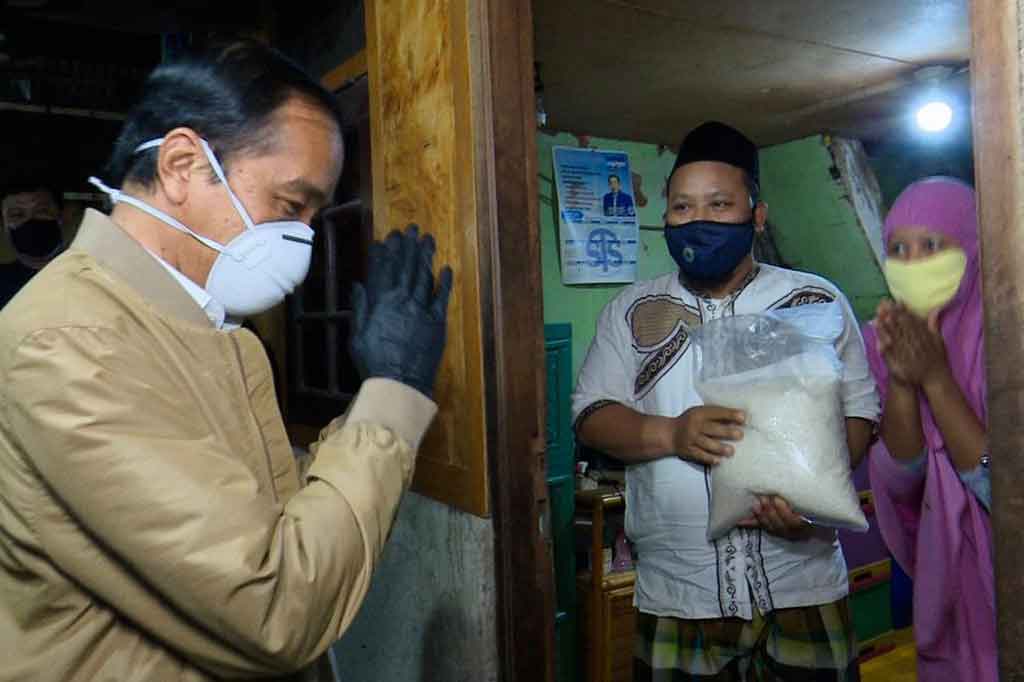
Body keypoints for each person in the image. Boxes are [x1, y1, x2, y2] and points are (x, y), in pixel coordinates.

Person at [0, 41, 453, 681]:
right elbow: (276, 606)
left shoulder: (215, 331)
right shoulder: (70, 343)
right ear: (182, 165)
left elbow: (271, 520)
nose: (302, 238)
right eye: (290, 206)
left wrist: (366, 406)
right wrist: (391, 392)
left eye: (313, 216)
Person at [573, 121, 878, 681]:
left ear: (756, 215)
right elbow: (591, 415)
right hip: (678, 592)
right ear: (666, 217)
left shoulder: (813, 299)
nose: (699, 220)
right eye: (682, 207)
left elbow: (858, 413)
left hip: (803, 585)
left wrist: (808, 503)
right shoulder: (630, 310)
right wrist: (672, 433)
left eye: (719, 204)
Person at [863, 177, 996, 681]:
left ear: (975, 247)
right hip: (948, 588)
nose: (913, 262)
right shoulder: (883, 341)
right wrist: (902, 378)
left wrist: (937, 379)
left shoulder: (1006, 334)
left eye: (932, 245)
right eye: (898, 249)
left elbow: (1003, 489)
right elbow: (904, 482)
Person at [0, 183, 65, 307]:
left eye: (42, 211)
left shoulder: (94, 277)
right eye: (17, 214)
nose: (30, 220)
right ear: (4, 226)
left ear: (61, 217)